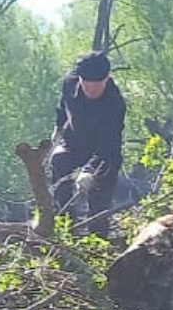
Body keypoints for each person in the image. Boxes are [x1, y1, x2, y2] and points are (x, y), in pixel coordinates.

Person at [49, 49, 126, 222]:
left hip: (104, 156)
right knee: (58, 160)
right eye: (87, 83)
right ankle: (64, 224)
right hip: (74, 143)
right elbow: (63, 105)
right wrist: (58, 126)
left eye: (97, 84)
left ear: (107, 78)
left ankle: (98, 241)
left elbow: (108, 145)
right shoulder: (69, 82)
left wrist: (89, 171)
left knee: (99, 208)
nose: (91, 89)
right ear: (79, 78)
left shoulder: (115, 104)